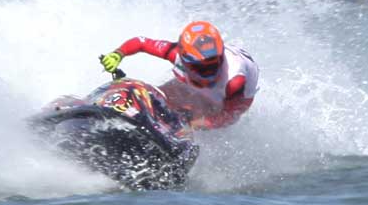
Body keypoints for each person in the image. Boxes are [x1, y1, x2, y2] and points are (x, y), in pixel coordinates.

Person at [99, 21, 259, 130]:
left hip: (230, 96)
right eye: (200, 68)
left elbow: (229, 116)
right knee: (160, 98)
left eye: (212, 65)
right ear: (185, 60)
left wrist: (196, 123)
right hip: (195, 78)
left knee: (194, 118)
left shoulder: (235, 81)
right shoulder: (174, 53)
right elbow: (140, 42)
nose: (208, 73)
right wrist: (117, 54)